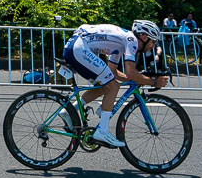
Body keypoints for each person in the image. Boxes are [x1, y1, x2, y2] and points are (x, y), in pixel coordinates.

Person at [60, 20, 169, 148]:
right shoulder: (132, 40)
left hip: (75, 47)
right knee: (113, 86)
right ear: (144, 37)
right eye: (153, 41)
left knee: (104, 86)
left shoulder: (120, 43)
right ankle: (103, 131)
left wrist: (137, 79)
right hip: (79, 48)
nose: (153, 45)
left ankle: (70, 110)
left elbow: (113, 72)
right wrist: (153, 81)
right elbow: (131, 73)